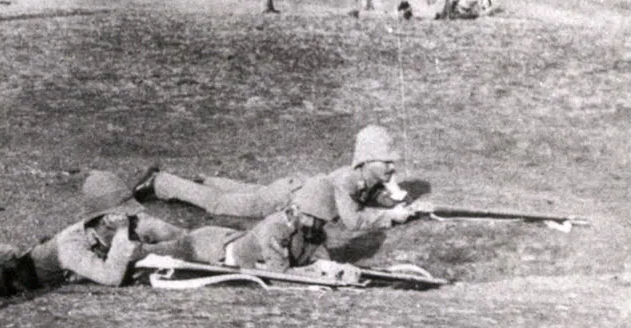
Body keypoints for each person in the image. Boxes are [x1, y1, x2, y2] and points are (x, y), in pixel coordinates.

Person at [0, 171, 191, 294]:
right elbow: (110, 277)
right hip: (0, 274)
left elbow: (173, 235)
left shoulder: (109, 228)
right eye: (121, 215)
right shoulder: (73, 245)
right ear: (103, 218)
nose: (130, 219)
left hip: (17, 259)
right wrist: (125, 238)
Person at [134, 125, 431, 229]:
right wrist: (392, 216)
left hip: (291, 188)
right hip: (283, 200)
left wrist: (392, 198)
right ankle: (161, 182)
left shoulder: (363, 177)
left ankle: (202, 181)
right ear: (367, 161)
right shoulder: (346, 181)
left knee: (246, 191)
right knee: (221, 205)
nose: (392, 169)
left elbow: (368, 196)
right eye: (386, 163)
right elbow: (353, 221)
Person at [140, 175, 361, 283]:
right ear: (305, 212)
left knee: (176, 237)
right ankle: (128, 234)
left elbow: (318, 260)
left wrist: (336, 269)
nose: (321, 226)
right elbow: (281, 275)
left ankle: (142, 226)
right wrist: (327, 274)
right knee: (156, 252)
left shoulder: (312, 232)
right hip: (210, 248)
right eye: (318, 219)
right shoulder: (277, 228)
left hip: (223, 239)